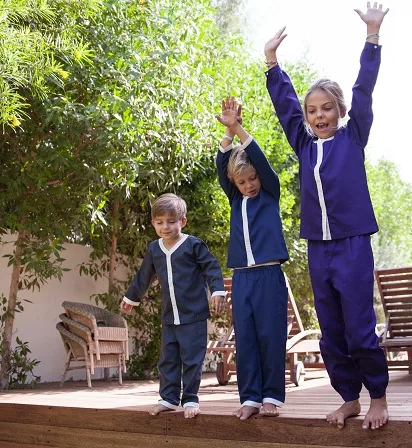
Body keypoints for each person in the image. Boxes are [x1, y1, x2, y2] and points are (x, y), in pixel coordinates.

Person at [264, 2, 390, 430]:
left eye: (326, 108)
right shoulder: (303, 144)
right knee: (331, 331)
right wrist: (272, 63)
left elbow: (364, 89)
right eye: (312, 110)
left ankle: (377, 397)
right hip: (319, 248)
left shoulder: (353, 137)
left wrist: (372, 37)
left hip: (353, 244)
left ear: (340, 111)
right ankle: (349, 398)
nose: (319, 115)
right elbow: (285, 106)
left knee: (360, 327)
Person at [215, 96, 290, 421]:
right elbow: (222, 167)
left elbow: (258, 158)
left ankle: (271, 397)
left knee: (270, 337)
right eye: (242, 182)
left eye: (252, 179)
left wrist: (239, 129)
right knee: (245, 339)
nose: (249, 186)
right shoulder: (235, 199)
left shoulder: (270, 192)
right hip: (242, 278)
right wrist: (227, 134)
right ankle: (250, 398)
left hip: (269, 276)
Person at [120, 193, 226, 419]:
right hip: (169, 316)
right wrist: (131, 298)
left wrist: (217, 291)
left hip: (194, 316)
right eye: (160, 222)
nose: (165, 227)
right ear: (153, 223)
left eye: (171, 221)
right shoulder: (154, 249)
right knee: (168, 359)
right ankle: (168, 398)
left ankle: (190, 399)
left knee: (192, 359)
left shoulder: (193, 245)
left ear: (182, 221)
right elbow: (144, 276)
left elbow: (211, 268)